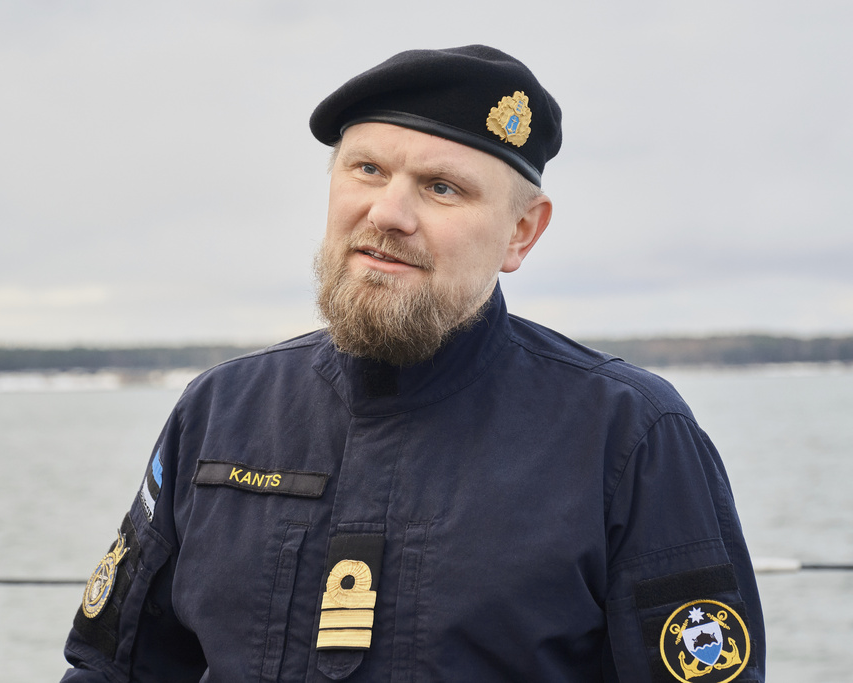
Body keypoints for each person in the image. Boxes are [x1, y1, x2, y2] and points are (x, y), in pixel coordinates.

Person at [62, 45, 765, 682]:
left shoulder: (628, 437)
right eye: (367, 169)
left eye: (441, 187)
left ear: (521, 232)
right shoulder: (220, 412)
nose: (388, 213)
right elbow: (110, 669)